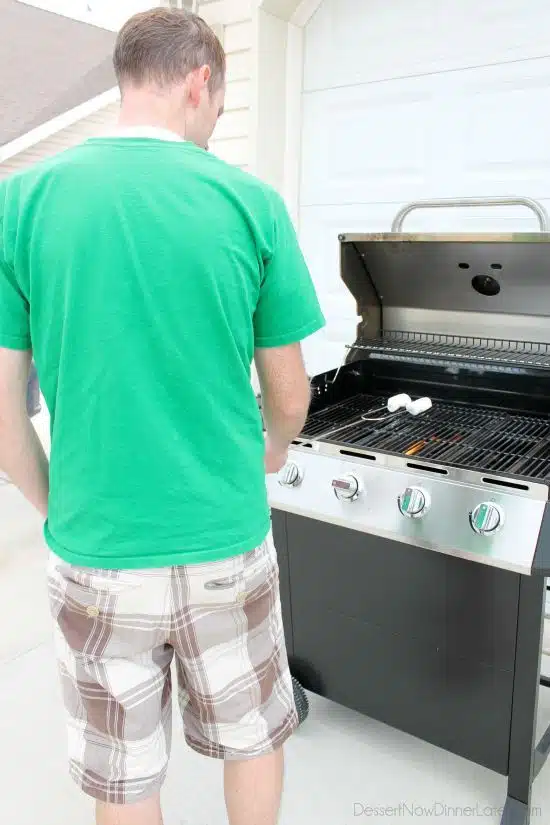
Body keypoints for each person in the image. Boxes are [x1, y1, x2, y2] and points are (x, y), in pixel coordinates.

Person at [0, 7, 325, 825]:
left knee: (126, 775)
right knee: (252, 735)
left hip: (97, 546)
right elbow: (289, 395)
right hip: (225, 539)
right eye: (216, 104)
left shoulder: (22, 201)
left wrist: (54, 503)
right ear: (199, 82)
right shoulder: (250, 201)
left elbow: (3, 405)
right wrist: (272, 452)